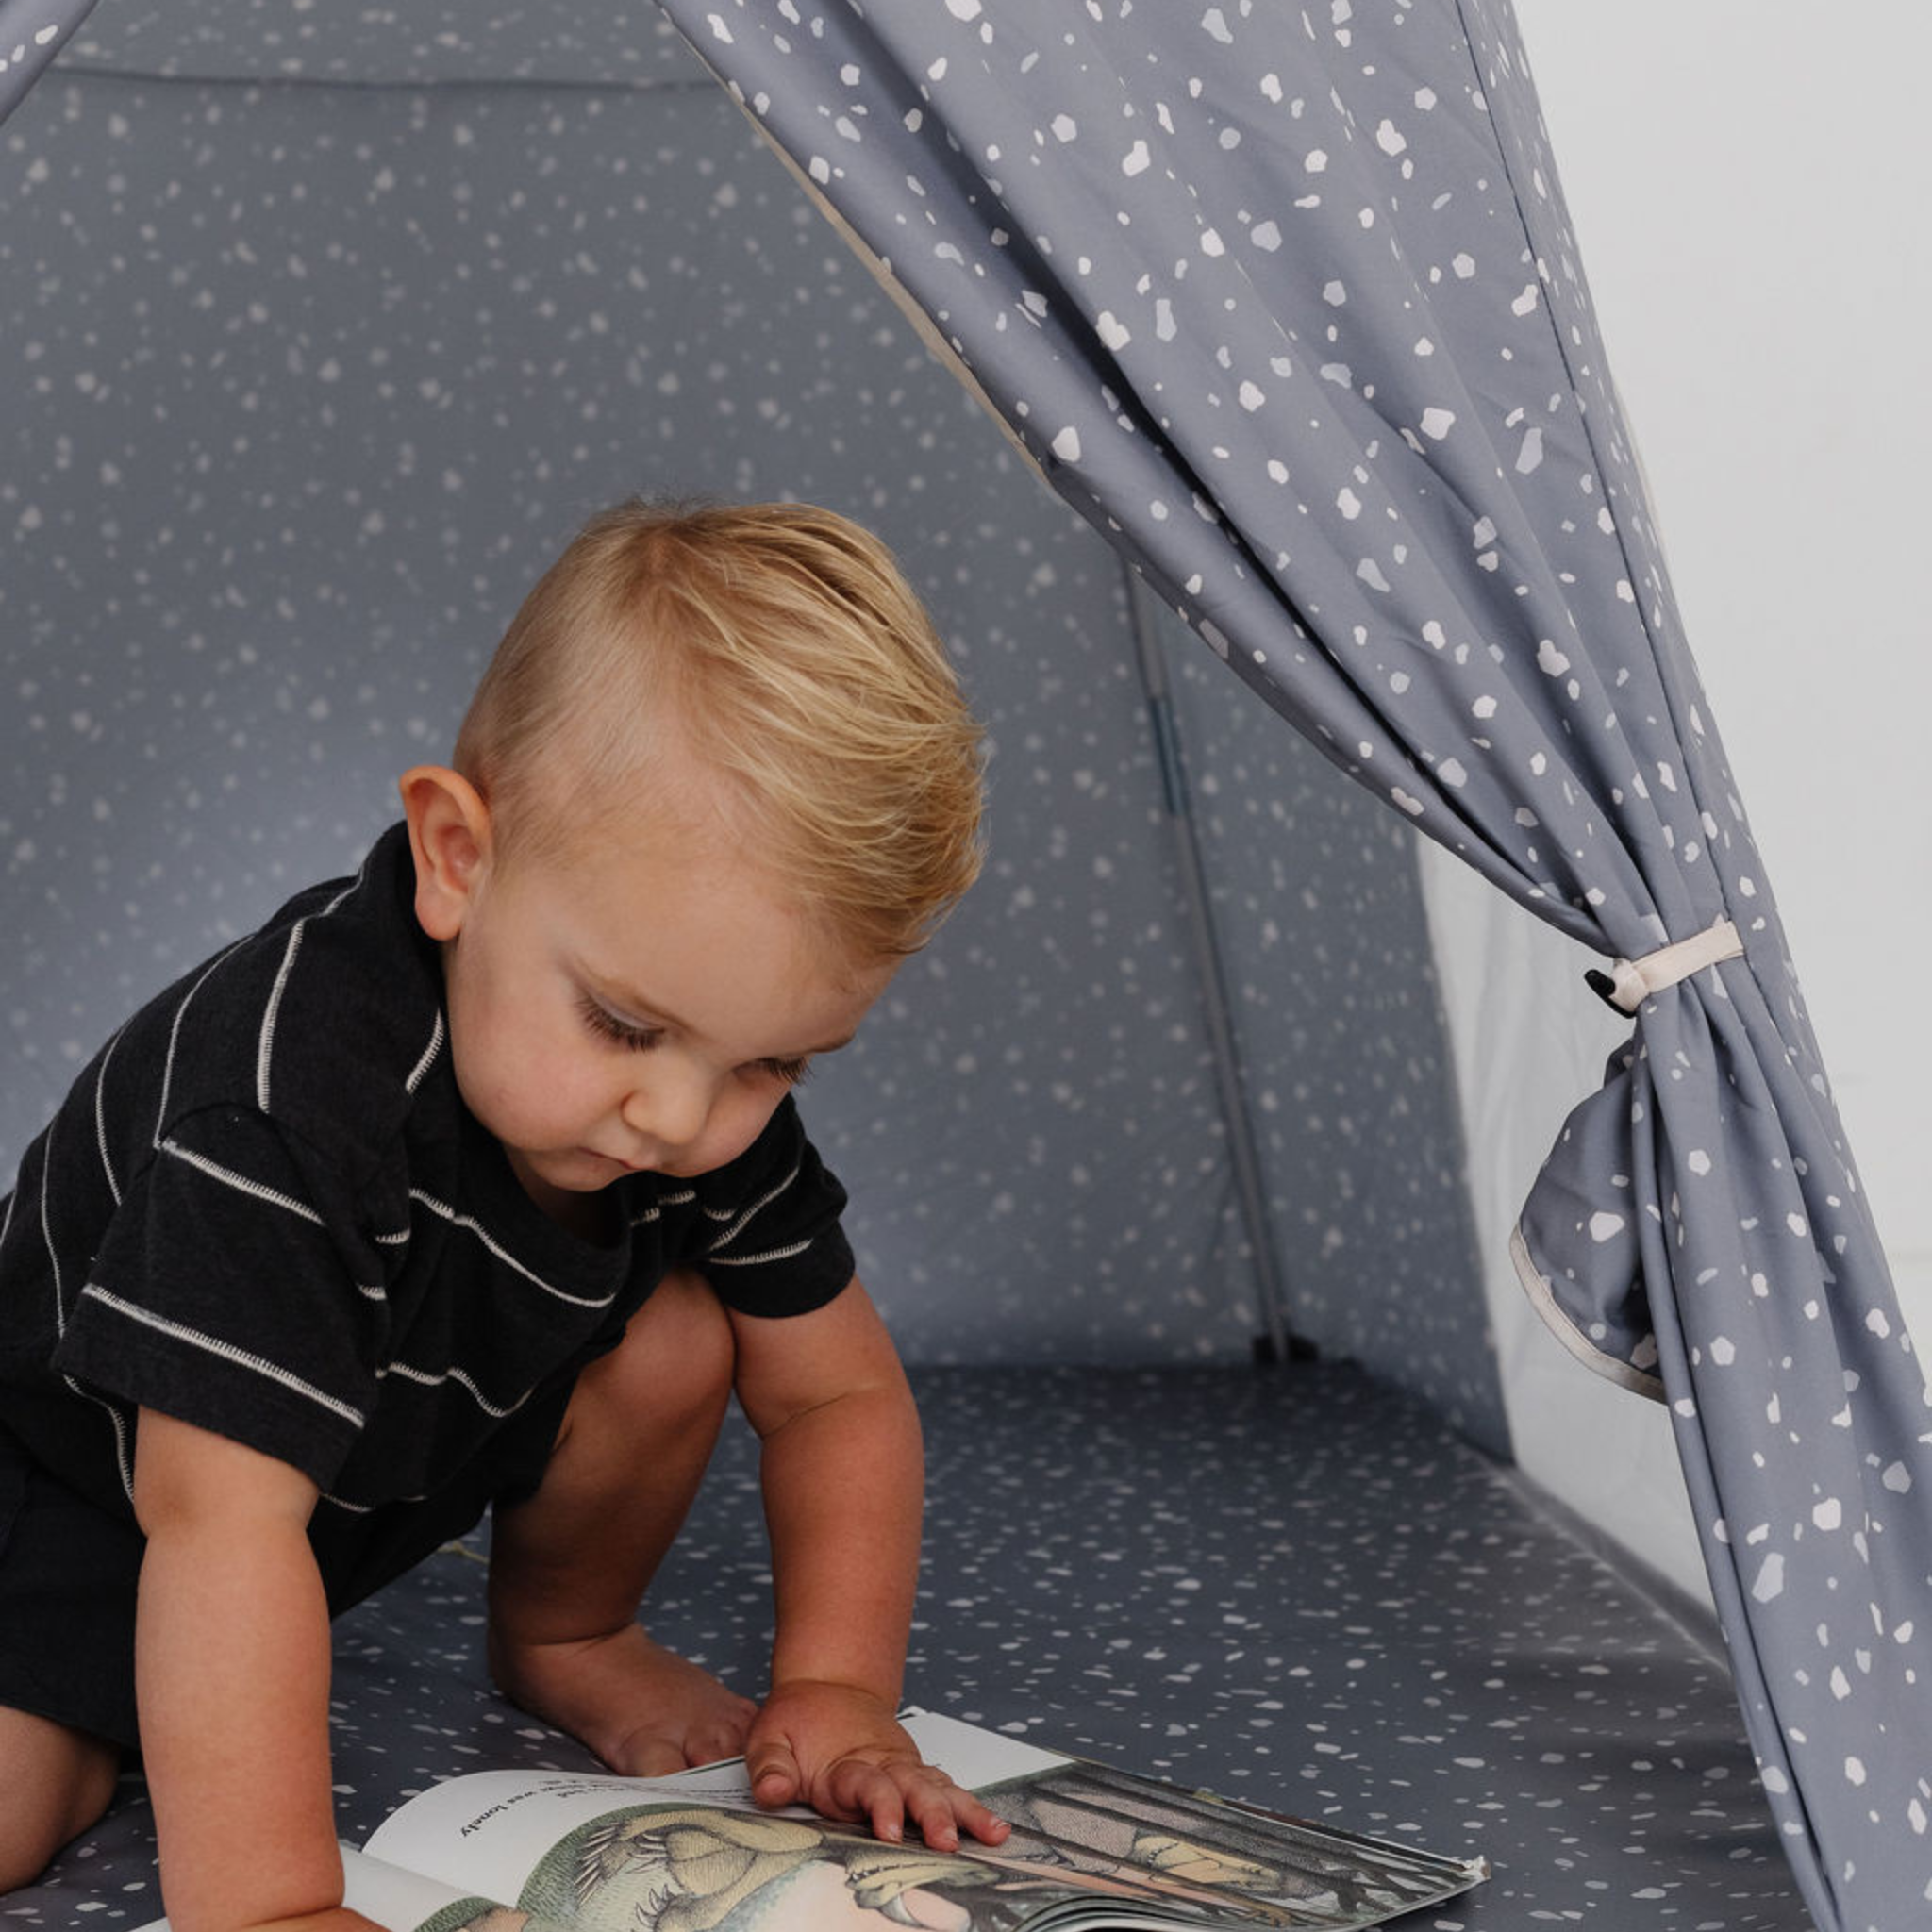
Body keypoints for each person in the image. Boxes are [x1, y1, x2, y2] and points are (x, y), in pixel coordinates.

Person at [0, 499, 1010, 1930]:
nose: (682, 1122)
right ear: (457, 859)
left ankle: (569, 1632)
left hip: (335, 1479)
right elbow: (219, 1527)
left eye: (773, 1061)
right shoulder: (287, 1103)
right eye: (620, 1023)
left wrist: (839, 1692)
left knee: (673, 1335)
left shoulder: (695, 1096)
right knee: (14, 1807)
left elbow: (838, 1393)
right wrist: (270, 1903)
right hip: (86, 1479)